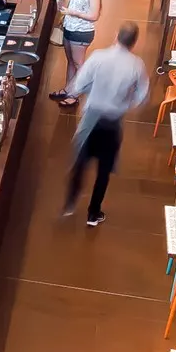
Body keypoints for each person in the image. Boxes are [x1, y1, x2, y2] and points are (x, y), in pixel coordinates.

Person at [63, 22, 148, 227]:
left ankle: (70, 204)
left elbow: (78, 86)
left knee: (80, 163)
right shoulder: (137, 65)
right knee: (104, 170)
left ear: (116, 34)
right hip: (113, 122)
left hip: (91, 118)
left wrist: (90, 90)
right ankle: (93, 213)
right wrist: (125, 102)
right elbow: (142, 96)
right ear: (134, 42)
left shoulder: (98, 57)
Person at [50, 0, 100, 107]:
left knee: (79, 64)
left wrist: (73, 12)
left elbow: (94, 15)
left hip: (81, 32)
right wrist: (63, 1)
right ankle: (68, 89)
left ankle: (75, 94)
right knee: (71, 62)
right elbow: (75, 3)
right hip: (69, 28)